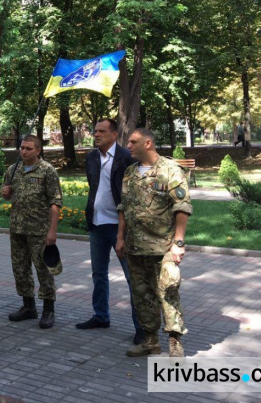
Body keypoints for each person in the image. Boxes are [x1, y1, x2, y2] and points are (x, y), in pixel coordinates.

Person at [116, 128, 192, 358]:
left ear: (148, 143)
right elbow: (123, 207)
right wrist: (120, 238)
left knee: (167, 292)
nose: (128, 145)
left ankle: (175, 343)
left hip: (164, 246)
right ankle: (150, 341)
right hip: (135, 247)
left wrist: (178, 242)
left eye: (133, 141)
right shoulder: (130, 172)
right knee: (142, 295)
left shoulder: (170, 170)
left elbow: (182, 207)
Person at [75, 119, 143, 345]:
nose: (96, 135)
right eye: (94, 131)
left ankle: (141, 327)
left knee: (132, 277)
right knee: (98, 273)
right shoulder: (92, 157)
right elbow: (94, 186)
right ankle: (101, 316)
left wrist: (124, 230)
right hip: (97, 224)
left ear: (114, 134)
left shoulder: (126, 157)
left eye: (101, 131)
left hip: (120, 227)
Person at [1, 135, 61, 329]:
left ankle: (48, 310)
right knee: (20, 268)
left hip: (39, 230)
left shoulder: (47, 171)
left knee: (43, 270)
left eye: (28, 148)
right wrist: (6, 194)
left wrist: (52, 231)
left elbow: (55, 202)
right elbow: (7, 196)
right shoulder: (13, 170)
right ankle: (28, 306)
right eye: (22, 148)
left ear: (38, 150)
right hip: (17, 229)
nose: (24, 151)